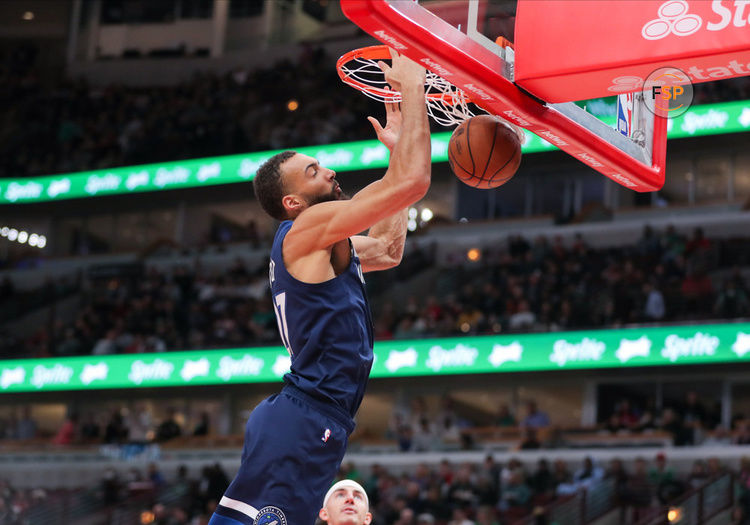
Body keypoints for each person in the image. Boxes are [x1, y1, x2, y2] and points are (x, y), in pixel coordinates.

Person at [209, 48, 430, 525]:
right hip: (303, 416)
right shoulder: (304, 230)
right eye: (312, 172)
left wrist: (397, 150)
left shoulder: (325, 244)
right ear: (292, 201)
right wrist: (413, 89)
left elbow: (389, 249)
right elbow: (411, 182)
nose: (328, 170)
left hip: (318, 417)